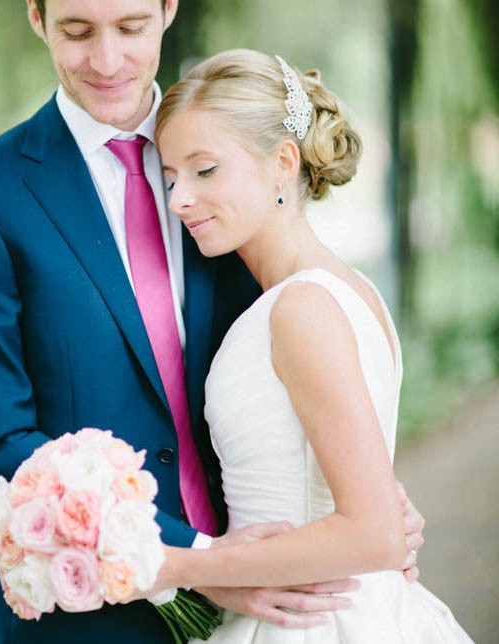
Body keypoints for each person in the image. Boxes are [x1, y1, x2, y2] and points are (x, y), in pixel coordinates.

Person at [0, 0, 423, 644]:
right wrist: (194, 559)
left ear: (170, 4)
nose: (108, 58)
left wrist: (367, 502)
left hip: (283, 596)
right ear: (35, 17)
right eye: (76, 30)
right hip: (88, 615)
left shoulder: (228, 171)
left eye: (131, 25)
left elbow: (313, 351)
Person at [152, 48, 473, 642]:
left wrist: (179, 566)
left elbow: (374, 531)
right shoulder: (350, 290)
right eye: (170, 178)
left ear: (282, 162)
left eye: (205, 170)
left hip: (315, 622)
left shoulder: (300, 307)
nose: (178, 201)